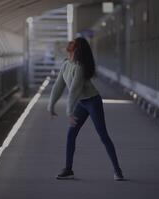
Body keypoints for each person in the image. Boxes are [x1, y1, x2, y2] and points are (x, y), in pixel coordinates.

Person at [47, 37, 124, 181]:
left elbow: (74, 90)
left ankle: (118, 171)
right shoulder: (65, 64)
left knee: (103, 136)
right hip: (81, 104)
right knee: (71, 135)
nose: (69, 53)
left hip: (92, 102)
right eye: (69, 50)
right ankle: (68, 169)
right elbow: (58, 85)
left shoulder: (80, 67)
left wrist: (69, 112)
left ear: (78, 52)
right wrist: (51, 105)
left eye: (73, 51)